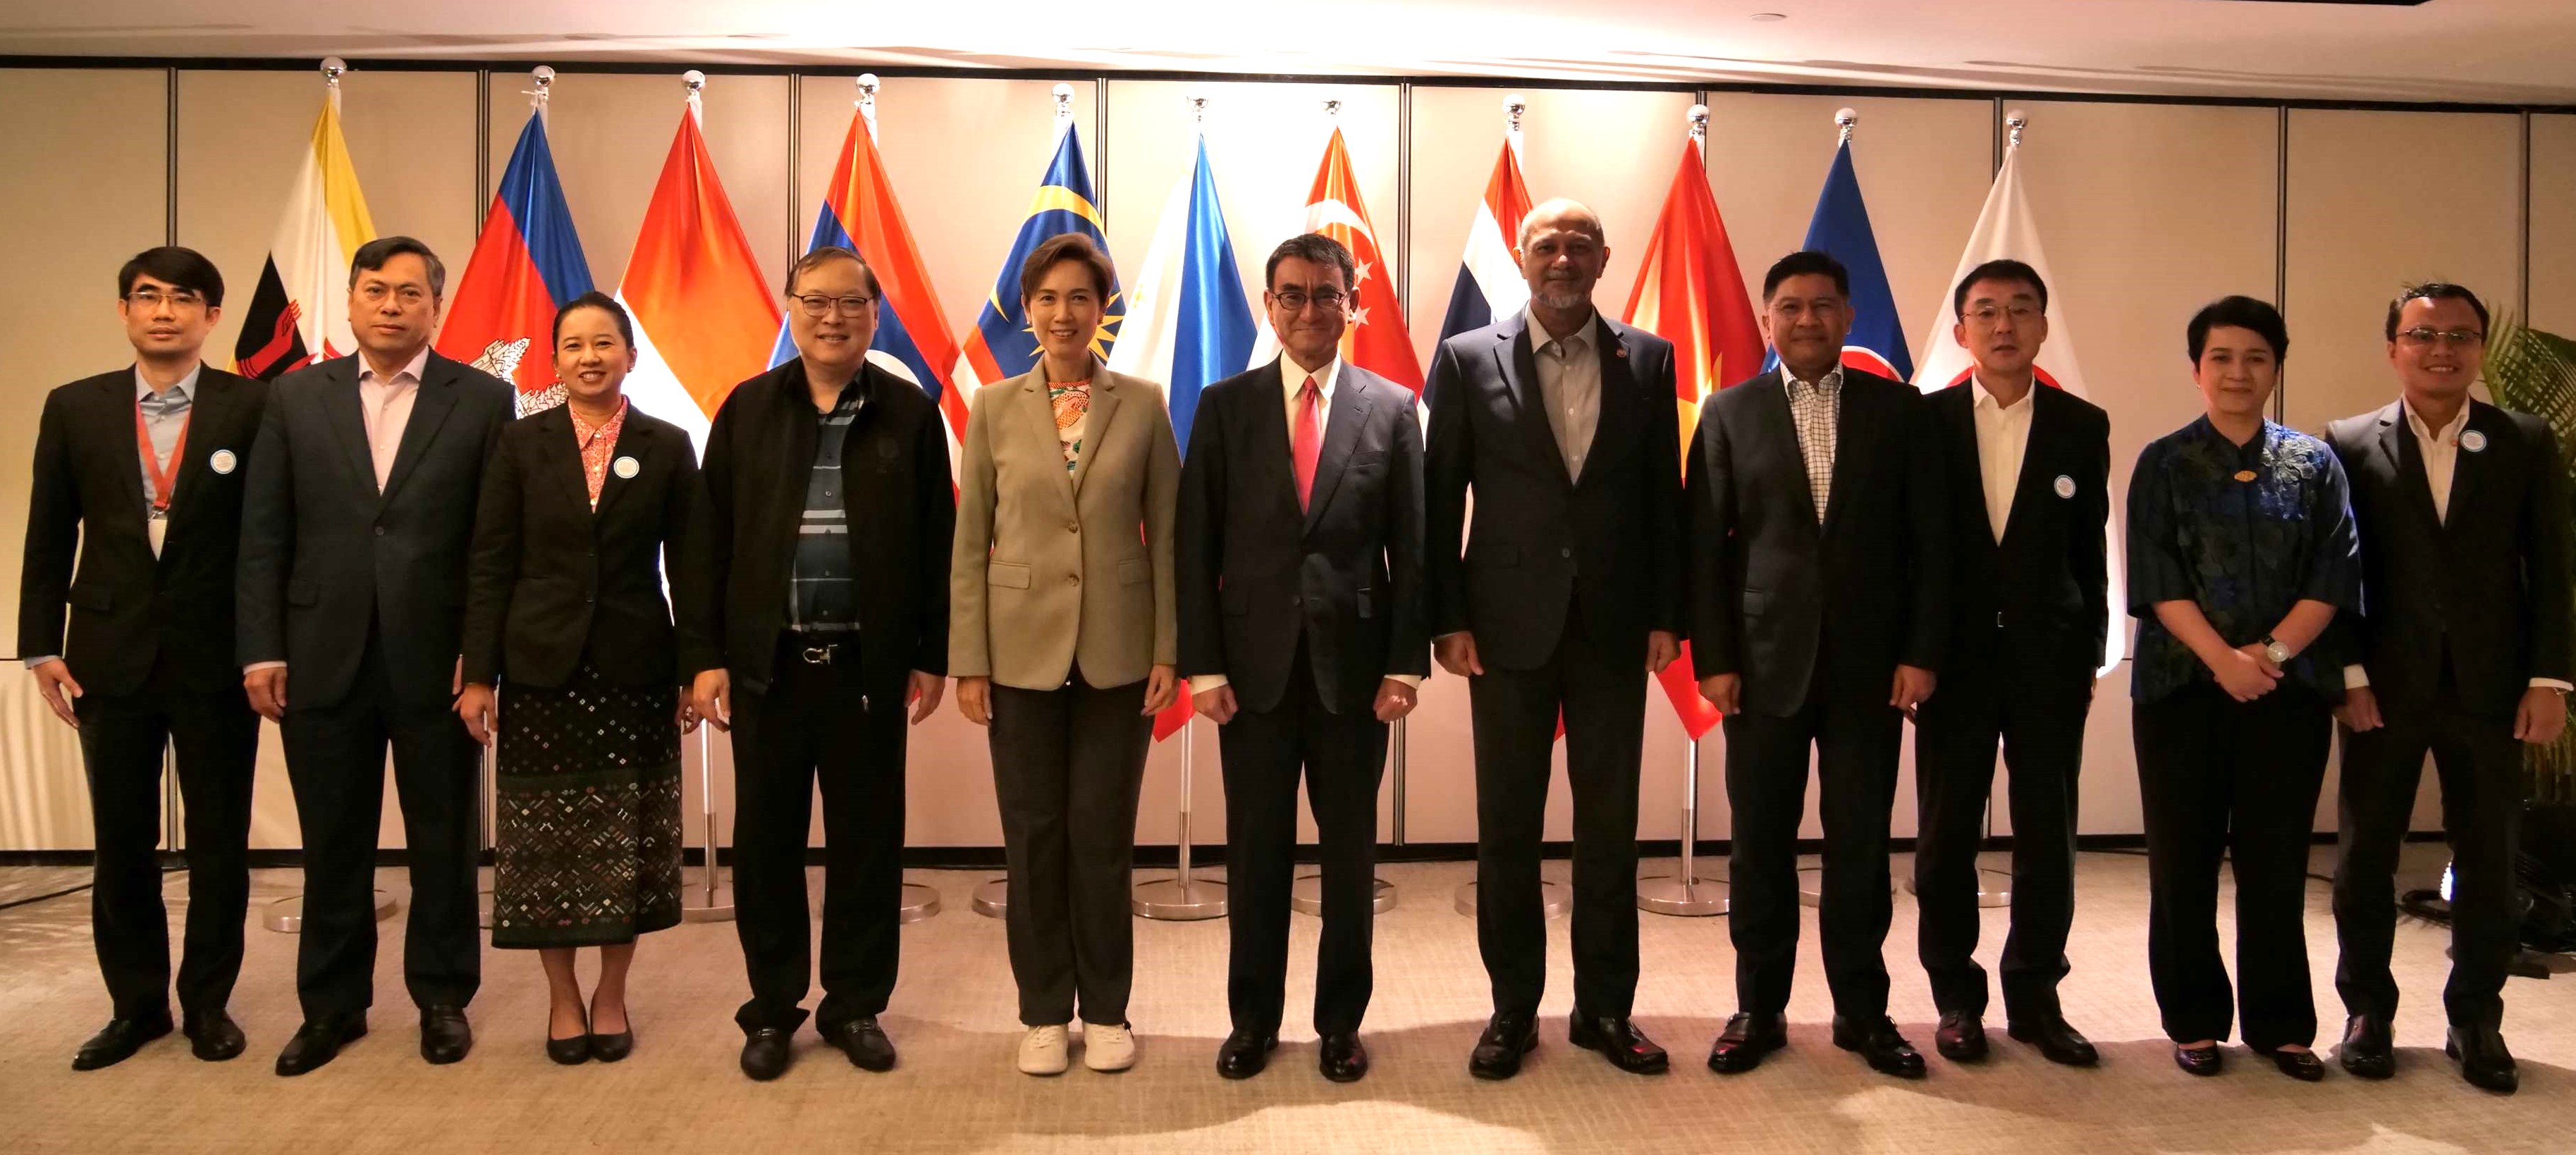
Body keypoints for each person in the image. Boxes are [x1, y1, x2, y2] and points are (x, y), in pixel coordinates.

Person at [237, 236, 515, 1075]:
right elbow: (264, 534)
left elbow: (491, 544)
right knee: (334, 843)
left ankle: (441, 1000)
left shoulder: (483, 399)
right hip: (322, 655)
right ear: (352, 303)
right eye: (375, 290)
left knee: (443, 843)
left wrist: (482, 662)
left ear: (437, 305)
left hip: (437, 662)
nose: (391, 305)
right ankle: (331, 1007)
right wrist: (261, 650)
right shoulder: (293, 396)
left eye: (410, 293)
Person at [678, 245, 953, 1082]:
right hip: (769, 667)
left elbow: (938, 542)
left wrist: (932, 654)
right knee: (766, 846)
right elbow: (706, 543)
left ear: (875, 314)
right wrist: (706, 656)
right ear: (790, 308)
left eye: (851, 304)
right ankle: (771, 1009)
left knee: (868, 845)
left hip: (869, 670)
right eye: (815, 301)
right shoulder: (749, 408)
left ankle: (854, 1004)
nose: (832, 317)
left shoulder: (909, 413)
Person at [1425, 198, 1682, 1081]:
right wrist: (1445, 616)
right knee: (1508, 828)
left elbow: (1664, 502)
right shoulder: (1465, 359)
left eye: (1579, 246)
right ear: (1524, 259)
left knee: (1609, 827)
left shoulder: (1648, 358)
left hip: (1614, 627)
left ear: (1604, 258)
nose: (1563, 259)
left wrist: (1665, 613)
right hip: (1503, 630)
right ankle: (1512, 1010)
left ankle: (1606, 1007)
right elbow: (1438, 499)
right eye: (1547, 245)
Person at [1690, 249, 1948, 1080]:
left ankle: (1863, 1012)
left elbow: (1929, 547)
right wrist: (1715, 660)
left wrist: (1919, 652)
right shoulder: (1729, 414)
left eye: (1824, 306)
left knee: (1861, 846)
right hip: (1761, 670)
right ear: (1768, 319)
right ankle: (1758, 1009)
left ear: (1848, 316)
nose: (1807, 320)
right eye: (1791, 307)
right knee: (1759, 845)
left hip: (1871, 670)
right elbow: (1707, 551)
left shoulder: (1899, 410)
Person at [1178, 233, 1428, 1084]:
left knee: (1350, 858)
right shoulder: (1224, 406)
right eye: (1293, 294)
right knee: (1255, 854)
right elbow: (1192, 546)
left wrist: (1406, 664)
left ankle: (1340, 1024)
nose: (1310, 310)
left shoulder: (1392, 408)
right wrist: (1202, 667)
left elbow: (1414, 549)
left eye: (1327, 294)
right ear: (1269, 304)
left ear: (1353, 303)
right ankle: (1253, 1019)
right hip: (1248, 674)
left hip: (1357, 675)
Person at [20, 247, 265, 1070]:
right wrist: (37, 646)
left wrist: (269, 646)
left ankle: (207, 1004)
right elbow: (48, 533)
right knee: (120, 842)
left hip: (216, 657)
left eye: (184, 299)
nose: (165, 311)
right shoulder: (77, 407)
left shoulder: (251, 407)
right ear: (124, 310)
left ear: (212, 317)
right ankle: (136, 1006)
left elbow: (269, 541)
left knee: (219, 839)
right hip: (105, 655)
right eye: (148, 296)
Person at [2324, 283, 2571, 1095]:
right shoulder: (2349, 441)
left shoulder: (2524, 440)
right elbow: (2338, 574)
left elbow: (2551, 568)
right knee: (2365, 857)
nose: (2443, 350)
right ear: (2393, 345)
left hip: (2494, 689)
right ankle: (2368, 1013)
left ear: (2475, 349)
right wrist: (2349, 675)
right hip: (2382, 691)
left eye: (2461, 336)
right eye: (2424, 335)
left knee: (2490, 861)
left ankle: (2476, 1017)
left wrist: (2548, 680)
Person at [950, 233, 1179, 1077]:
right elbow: (971, 540)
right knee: (1033, 836)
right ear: (1028, 310)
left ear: (1102, 309)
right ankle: (1044, 1009)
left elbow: (1169, 540)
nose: (1062, 314)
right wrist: (969, 659)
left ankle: (1109, 1008)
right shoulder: (992, 407)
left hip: (1120, 653)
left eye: (1080, 298)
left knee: (1101, 837)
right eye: (1047, 299)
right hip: (1019, 655)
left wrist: (1168, 646)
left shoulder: (1144, 404)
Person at [455, 293, 700, 1066]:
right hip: (539, 672)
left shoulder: (667, 444)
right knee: (543, 847)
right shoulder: (518, 444)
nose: (589, 357)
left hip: (635, 670)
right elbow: (490, 561)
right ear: (555, 361)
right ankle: (563, 998)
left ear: (631, 355)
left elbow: (691, 569)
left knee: (627, 842)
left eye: (605, 343)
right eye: (573, 345)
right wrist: (479, 672)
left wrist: (695, 670)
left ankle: (612, 993)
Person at [2126, 295, 2357, 1082]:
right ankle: (2192, 1019)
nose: (2237, 372)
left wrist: (2273, 651)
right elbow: (2155, 575)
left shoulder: (2316, 464)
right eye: (2221, 357)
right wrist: (2223, 657)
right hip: (2180, 690)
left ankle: (2282, 1024)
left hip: (2285, 696)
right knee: (2182, 862)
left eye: (2255, 357)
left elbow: (2334, 572)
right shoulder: (2163, 461)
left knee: (2277, 861)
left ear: (2276, 368)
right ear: (2197, 369)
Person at [1911, 259, 2108, 1068]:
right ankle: (1956, 996)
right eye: (1985, 312)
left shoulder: (2080, 424)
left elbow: (2088, 552)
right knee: (1945, 836)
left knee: (2047, 837)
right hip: (1951, 664)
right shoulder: (1924, 422)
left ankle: (2036, 995)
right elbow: (1910, 552)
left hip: (2048, 662)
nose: (2003, 326)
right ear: (1960, 332)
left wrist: (2090, 648)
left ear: (2042, 326)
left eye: (2019, 311)